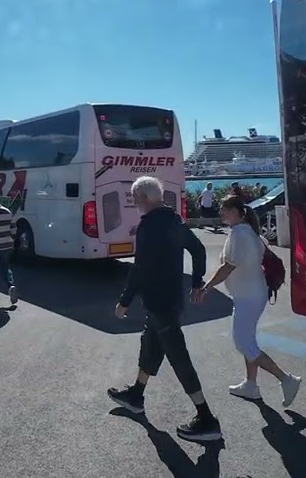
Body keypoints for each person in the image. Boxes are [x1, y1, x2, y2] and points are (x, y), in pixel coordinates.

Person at [108, 176, 221, 443]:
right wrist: (196, 281)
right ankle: (136, 394)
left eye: (135, 198)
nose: (134, 203)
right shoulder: (173, 220)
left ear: (144, 198)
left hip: (160, 301)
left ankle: (206, 417)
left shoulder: (149, 226)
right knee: (150, 343)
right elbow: (199, 249)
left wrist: (125, 300)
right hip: (169, 297)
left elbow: (140, 268)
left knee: (178, 356)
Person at [194, 194, 302, 405]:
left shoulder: (240, 234)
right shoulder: (248, 233)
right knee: (248, 341)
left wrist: (207, 287)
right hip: (252, 294)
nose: (221, 212)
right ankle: (250, 385)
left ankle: (286, 379)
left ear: (236, 212)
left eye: (225, 208)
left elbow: (227, 267)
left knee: (243, 342)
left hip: (249, 298)